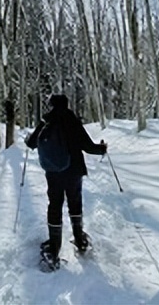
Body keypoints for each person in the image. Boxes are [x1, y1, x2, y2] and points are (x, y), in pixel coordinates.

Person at [25, 94, 107, 270]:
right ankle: (80, 240)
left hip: (54, 172)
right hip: (74, 171)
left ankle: (53, 249)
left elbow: (31, 143)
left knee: (55, 205)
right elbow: (88, 146)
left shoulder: (46, 121)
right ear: (67, 104)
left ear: (51, 105)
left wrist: (27, 139)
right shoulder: (72, 120)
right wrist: (102, 149)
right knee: (75, 203)